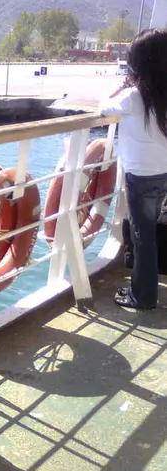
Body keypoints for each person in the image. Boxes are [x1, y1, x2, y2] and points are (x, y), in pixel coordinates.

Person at [98, 28, 167, 309]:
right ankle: (143, 289)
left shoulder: (133, 96)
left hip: (140, 176)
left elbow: (105, 108)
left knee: (143, 238)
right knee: (147, 234)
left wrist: (120, 87)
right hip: (162, 173)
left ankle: (143, 296)